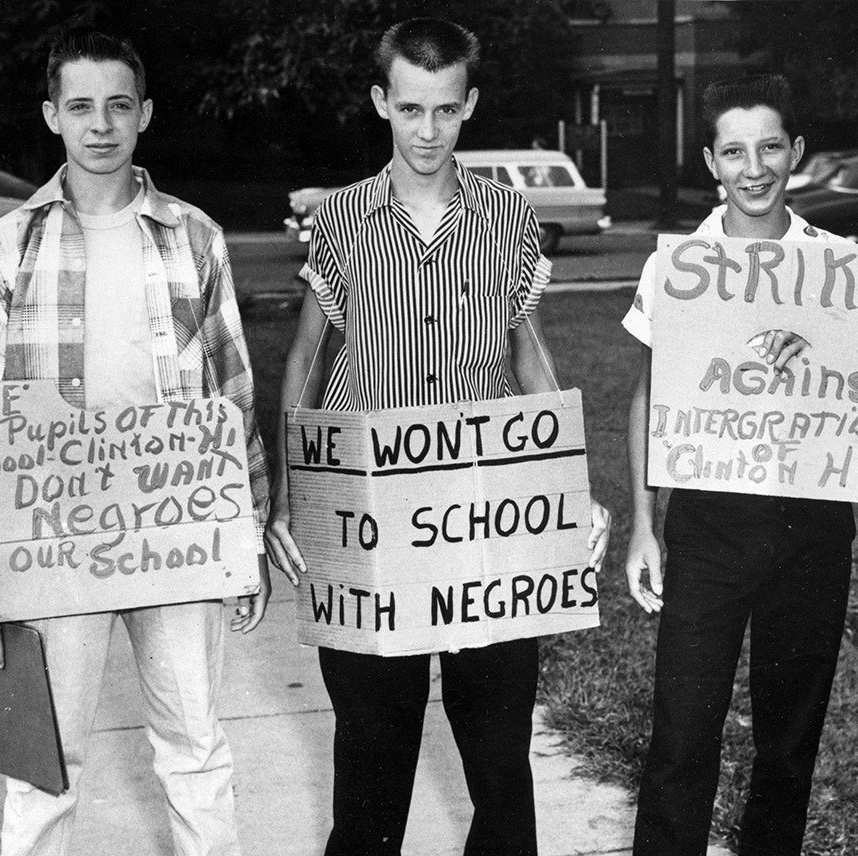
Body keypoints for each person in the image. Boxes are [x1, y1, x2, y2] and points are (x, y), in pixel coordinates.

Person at [262, 18, 611, 856]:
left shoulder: (509, 218)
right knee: (371, 762)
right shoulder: (341, 221)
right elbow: (311, 354)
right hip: (368, 518)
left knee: (499, 762)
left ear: (470, 106)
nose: (427, 131)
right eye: (411, 109)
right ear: (382, 101)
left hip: (482, 516)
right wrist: (285, 491)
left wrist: (568, 484)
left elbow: (525, 347)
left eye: (446, 111)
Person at [0, 30, 270, 856]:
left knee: (194, 746)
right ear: (51, 116)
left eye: (117, 105)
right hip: (54, 532)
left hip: (177, 523)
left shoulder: (192, 235)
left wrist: (242, 536)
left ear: (144, 115)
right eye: (80, 107)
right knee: (43, 760)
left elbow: (231, 391)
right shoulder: (11, 242)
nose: (99, 125)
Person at [621, 74, 856, 856]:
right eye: (733, 151)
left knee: (789, 741)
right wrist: (643, 527)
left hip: (810, 525)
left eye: (768, 148)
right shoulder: (682, 266)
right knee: (683, 735)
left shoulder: (840, 265)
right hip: (710, 526)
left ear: (796, 152)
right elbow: (650, 397)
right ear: (709, 162)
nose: (753, 168)